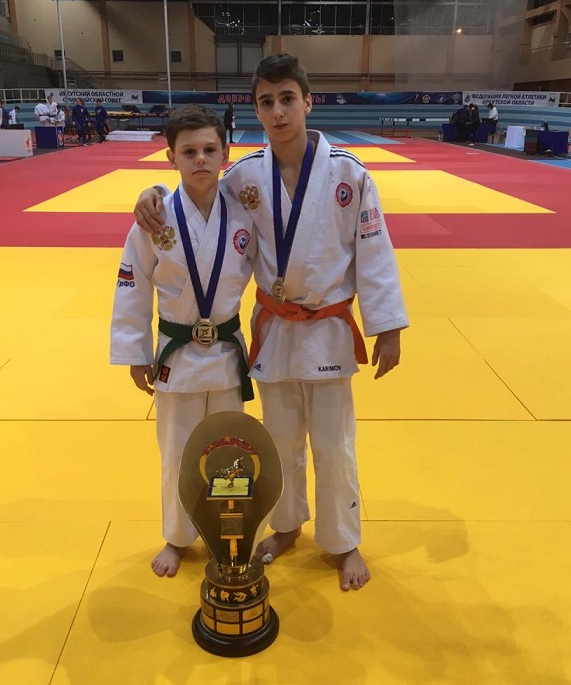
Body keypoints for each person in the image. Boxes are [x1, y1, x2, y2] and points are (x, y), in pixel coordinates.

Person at [132, 54, 409, 591]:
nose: (278, 111)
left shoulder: (349, 173)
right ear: (256, 111)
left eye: (287, 99)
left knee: (334, 443)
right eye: (266, 101)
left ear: (309, 102)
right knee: (278, 442)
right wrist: (152, 195)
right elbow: (195, 195)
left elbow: (374, 251)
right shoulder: (243, 177)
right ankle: (286, 525)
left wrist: (388, 325)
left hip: (328, 327)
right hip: (275, 330)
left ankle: (344, 541)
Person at [110, 104, 256, 578]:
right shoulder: (153, 219)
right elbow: (132, 286)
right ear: (170, 157)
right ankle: (177, 536)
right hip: (177, 354)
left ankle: (226, 532)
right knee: (176, 453)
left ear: (226, 154)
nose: (200, 160)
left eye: (210, 150)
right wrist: (135, 352)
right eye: (188, 151)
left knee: (229, 453)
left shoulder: (245, 212)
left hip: (227, 352)